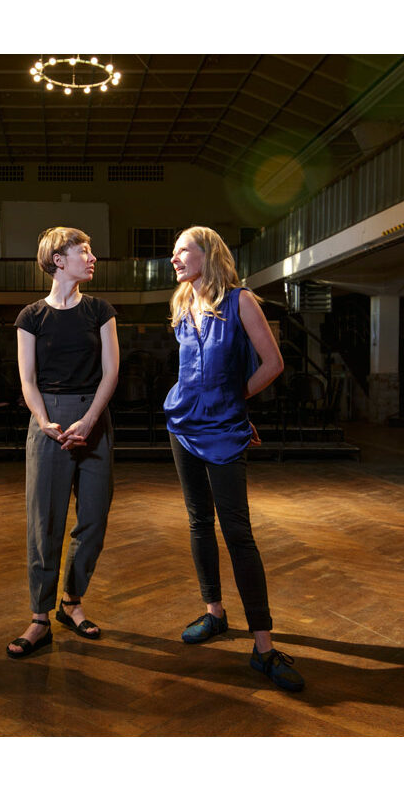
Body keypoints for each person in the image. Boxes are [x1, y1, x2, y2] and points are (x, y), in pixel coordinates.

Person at [162, 225, 304, 691]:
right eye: (174, 252)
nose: (175, 259)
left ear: (208, 253)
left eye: (183, 251)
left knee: (238, 534)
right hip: (182, 426)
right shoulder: (182, 302)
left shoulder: (241, 300)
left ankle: (263, 648)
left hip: (224, 430)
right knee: (199, 522)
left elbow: (273, 364)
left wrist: (234, 403)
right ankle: (214, 613)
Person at [6, 227, 120, 658]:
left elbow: (111, 372)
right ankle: (39, 617)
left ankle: (71, 602)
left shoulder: (100, 310)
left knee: (93, 520)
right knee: (44, 525)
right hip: (48, 421)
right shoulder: (31, 316)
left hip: (94, 417)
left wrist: (90, 421)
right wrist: (44, 420)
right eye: (83, 251)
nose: (92, 258)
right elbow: (27, 379)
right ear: (58, 259)